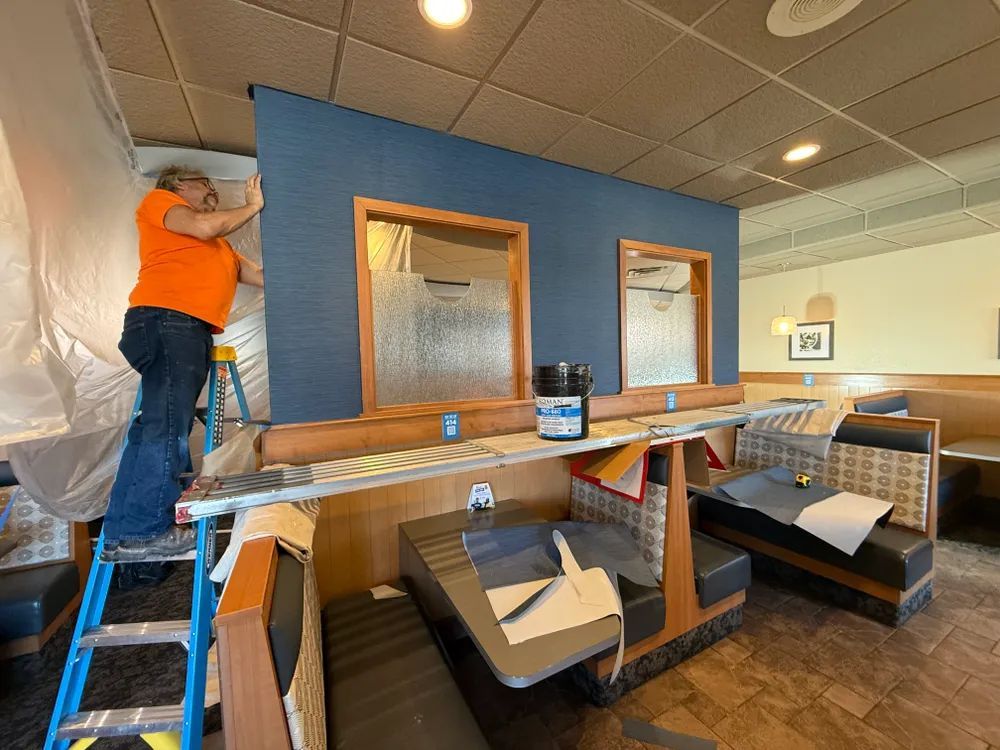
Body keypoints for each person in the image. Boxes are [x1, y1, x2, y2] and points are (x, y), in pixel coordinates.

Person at [100, 166, 264, 561]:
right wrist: (253, 206)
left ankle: (123, 532)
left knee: (152, 427)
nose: (211, 190)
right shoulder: (163, 204)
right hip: (167, 321)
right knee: (168, 427)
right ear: (177, 186)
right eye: (204, 184)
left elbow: (260, 275)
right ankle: (146, 531)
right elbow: (206, 227)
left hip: (181, 327)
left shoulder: (221, 249)